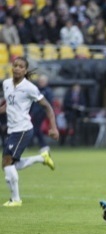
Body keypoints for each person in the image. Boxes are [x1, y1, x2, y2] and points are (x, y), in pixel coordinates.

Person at [0, 57, 59, 207]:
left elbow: (47, 107)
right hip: (12, 130)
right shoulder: (6, 84)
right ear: (12, 67)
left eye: (21, 66)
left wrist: (53, 127)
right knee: (14, 165)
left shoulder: (29, 88)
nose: (17, 68)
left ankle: (16, 199)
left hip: (23, 129)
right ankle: (42, 158)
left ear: (25, 71)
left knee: (7, 163)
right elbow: (9, 103)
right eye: (15, 65)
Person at [30, 74, 54, 153]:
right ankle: (41, 145)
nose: (41, 83)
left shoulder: (47, 91)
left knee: (36, 129)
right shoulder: (36, 90)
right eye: (40, 81)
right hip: (35, 112)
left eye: (42, 81)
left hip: (41, 113)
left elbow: (49, 103)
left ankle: (43, 145)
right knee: (34, 129)